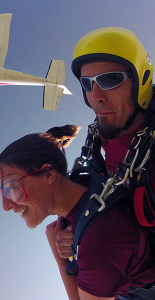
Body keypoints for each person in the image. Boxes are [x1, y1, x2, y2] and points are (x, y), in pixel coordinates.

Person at [46, 27, 155, 298]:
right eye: (87, 83)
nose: (96, 95)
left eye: (110, 79)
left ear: (141, 80)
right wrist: (73, 228)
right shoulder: (106, 140)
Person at [0, 124, 155, 300]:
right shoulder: (85, 187)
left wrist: (59, 256)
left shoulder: (98, 243)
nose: (5, 206)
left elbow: (101, 249)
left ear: (48, 175)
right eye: (2, 193)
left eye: (10, 188)